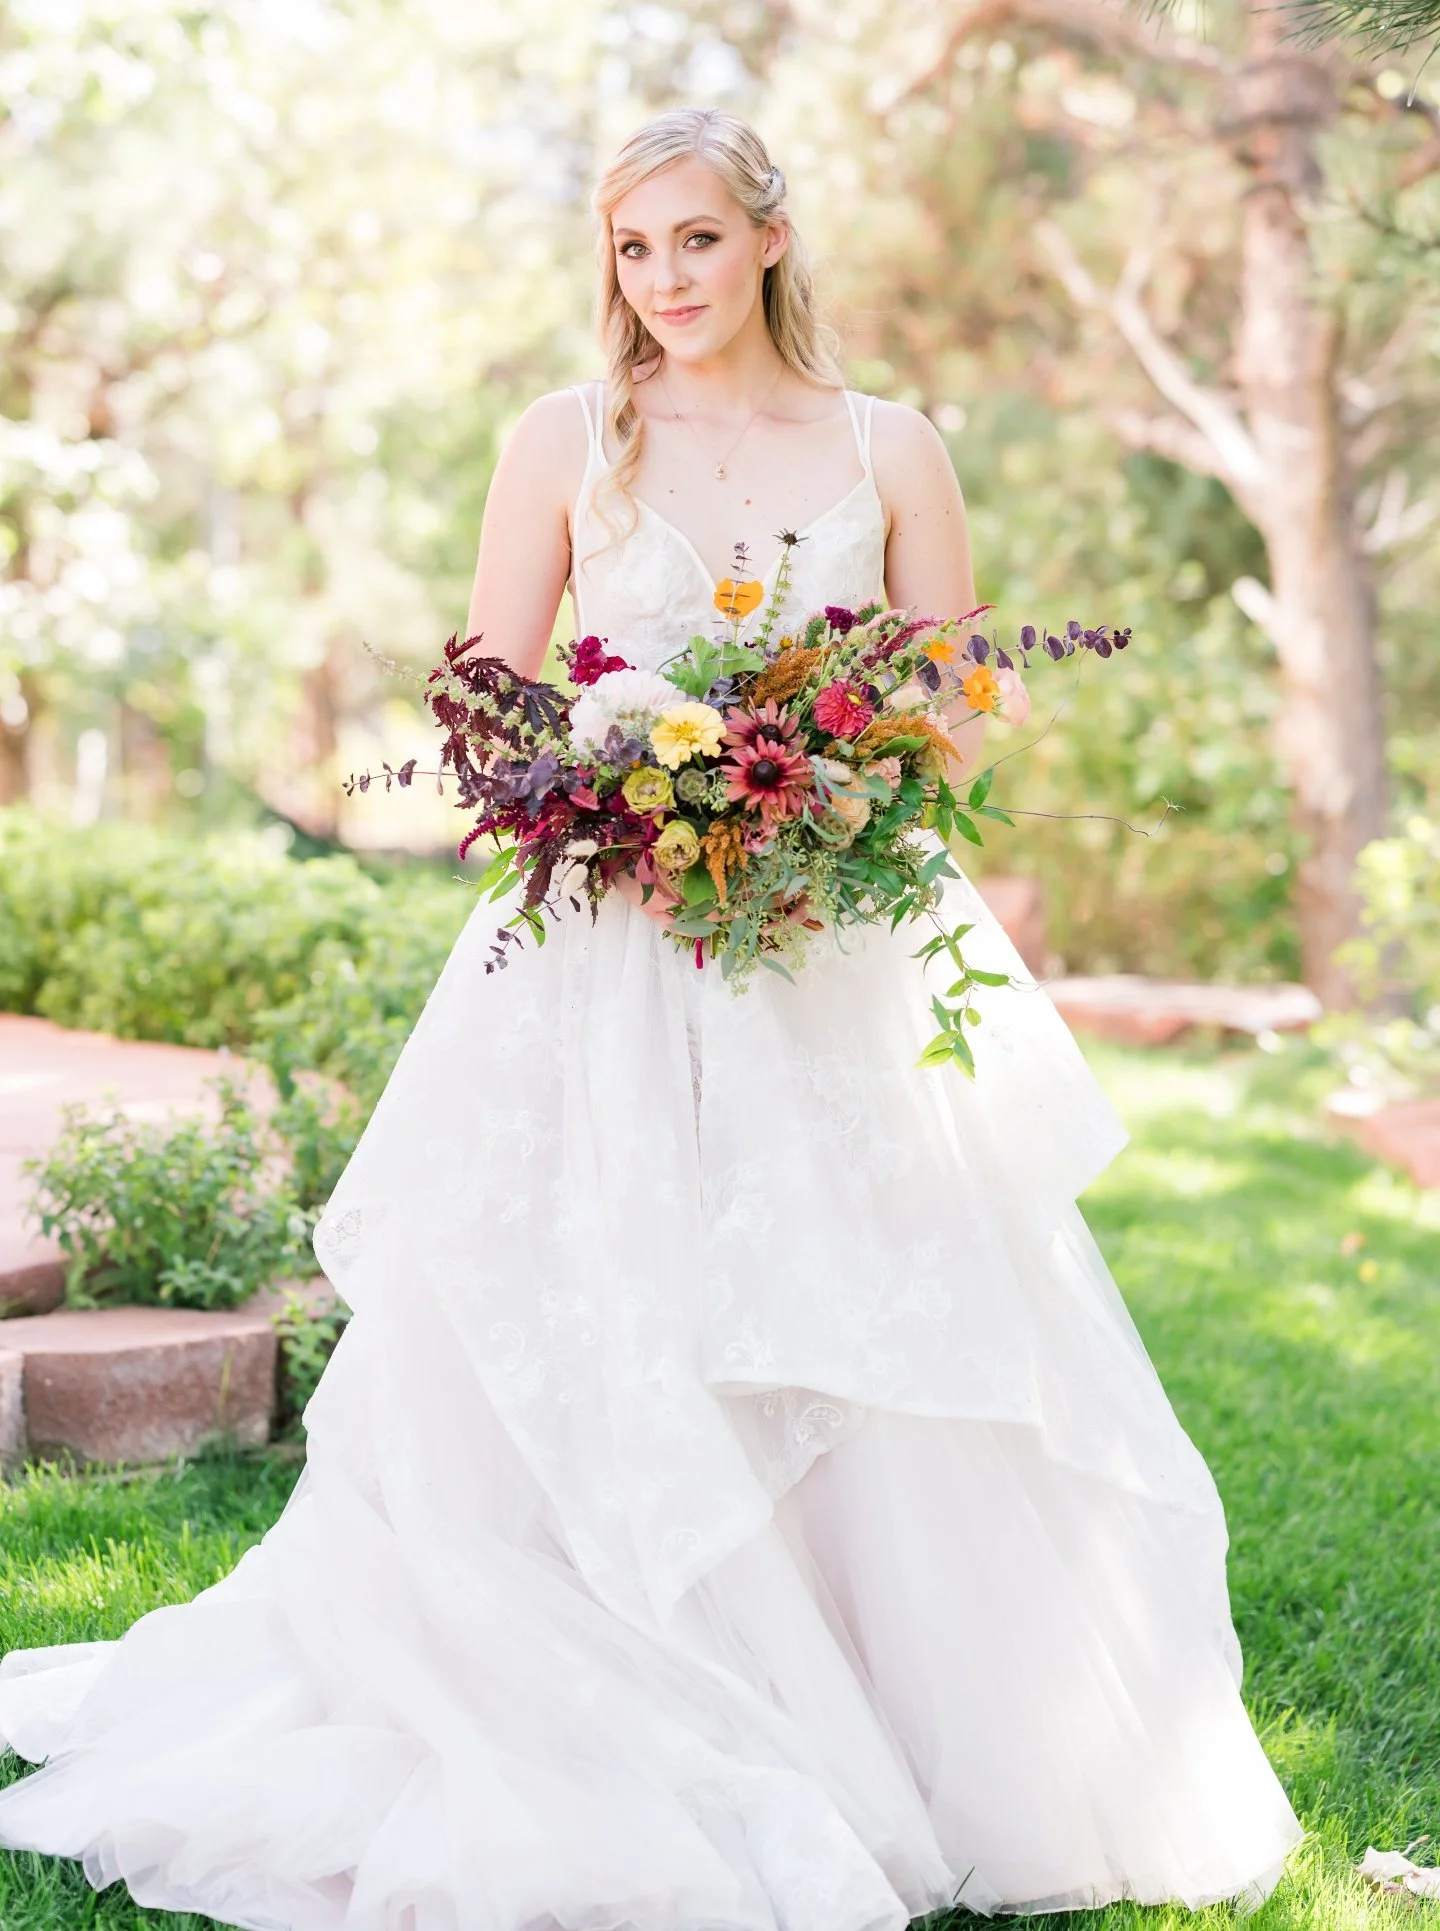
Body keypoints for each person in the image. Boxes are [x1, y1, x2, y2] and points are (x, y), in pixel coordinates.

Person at [0, 106, 1302, 1931]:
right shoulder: (566, 441)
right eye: (631, 249)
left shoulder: (891, 445)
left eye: (694, 241)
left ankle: (877, 1709)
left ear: (767, 239)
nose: (662, 282)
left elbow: (964, 703)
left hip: (823, 940)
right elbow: (489, 693)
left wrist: (817, 783)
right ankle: (610, 1655)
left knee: (861, 1320)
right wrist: (612, 807)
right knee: (600, 1295)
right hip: (601, 945)